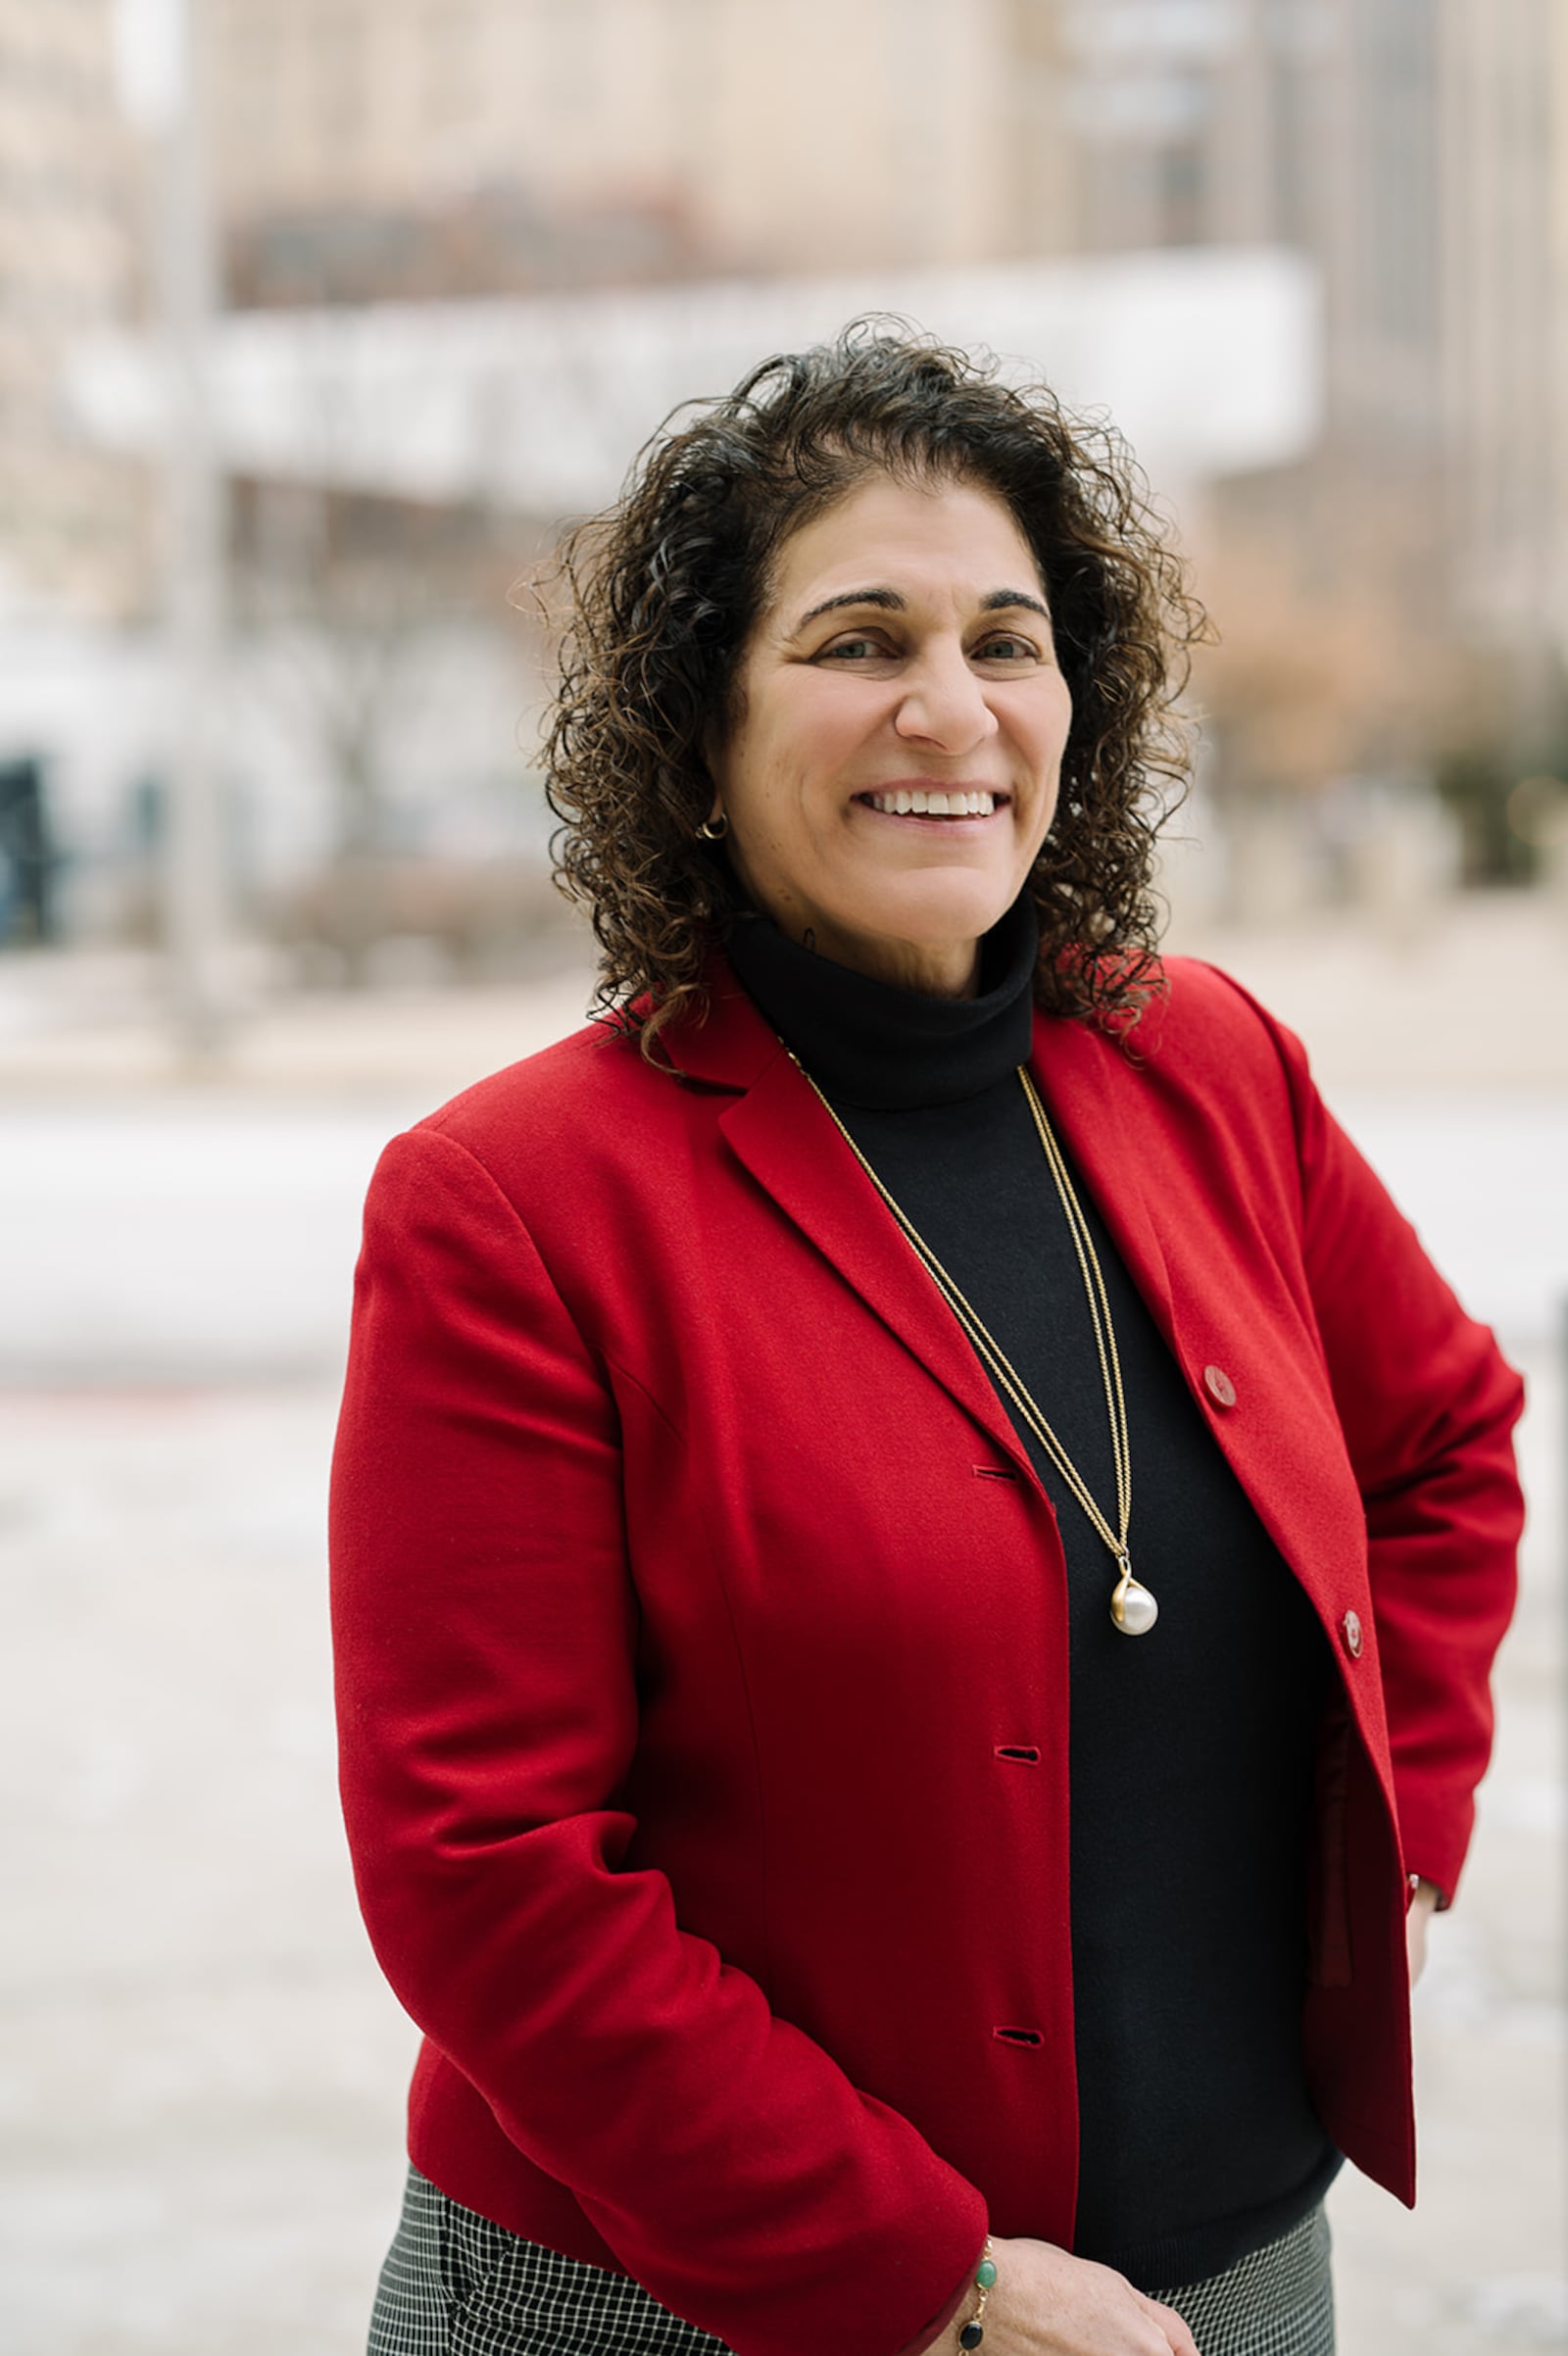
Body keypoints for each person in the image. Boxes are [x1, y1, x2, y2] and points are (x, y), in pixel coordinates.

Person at [329, 325, 1524, 2356]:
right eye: (856, 636)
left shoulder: (1206, 1060)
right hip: (692, 2296)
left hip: (1227, 2269)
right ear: (697, 730)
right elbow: (487, 1868)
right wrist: (935, 2282)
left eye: (1004, 635)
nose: (946, 706)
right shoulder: (510, 1203)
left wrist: (1388, 1822)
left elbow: (1442, 1443)